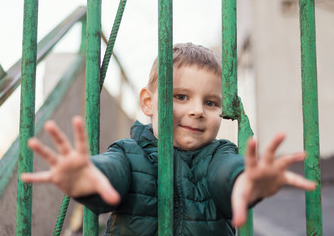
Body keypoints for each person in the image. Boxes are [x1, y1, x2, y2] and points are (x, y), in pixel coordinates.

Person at [21, 43, 316, 235]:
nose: (197, 111)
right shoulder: (128, 152)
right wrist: (87, 178)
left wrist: (246, 180)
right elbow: (112, 173)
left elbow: (226, 174)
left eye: (211, 103)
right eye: (181, 97)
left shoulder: (218, 154)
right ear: (148, 103)